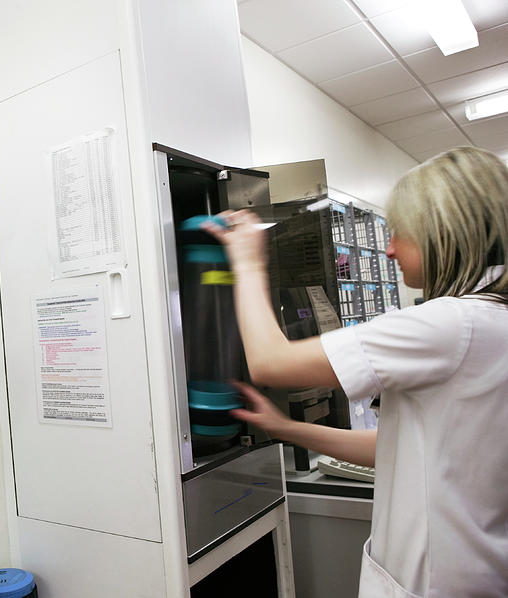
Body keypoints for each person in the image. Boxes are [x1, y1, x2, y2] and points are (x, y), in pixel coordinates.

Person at [203, 146, 508, 598]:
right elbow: (396, 447)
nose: (387, 249)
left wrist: (247, 261)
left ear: (440, 233)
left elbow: (269, 362)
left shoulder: (451, 324)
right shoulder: (489, 321)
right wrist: (285, 427)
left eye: (399, 233)